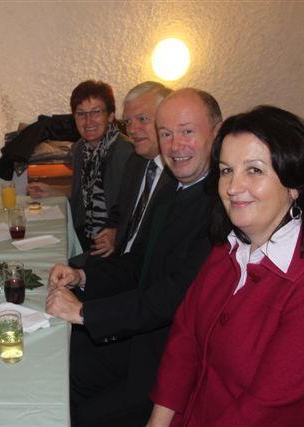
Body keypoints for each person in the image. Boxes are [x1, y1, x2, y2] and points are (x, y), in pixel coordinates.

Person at [147, 106, 304, 427]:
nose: (233, 187)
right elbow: (185, 341)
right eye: (226, 170)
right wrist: (157, 423)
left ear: (294, 183)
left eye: (254, 170)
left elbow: (268, 412)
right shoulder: (228, 248)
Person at [46, 88, 222, 426]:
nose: (175, 145)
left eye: (187, 131)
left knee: (87, 413)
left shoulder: (220, 206)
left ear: (216, 133)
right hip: (146, 337)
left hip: (174, 357)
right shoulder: (173, 190)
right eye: (166, 134)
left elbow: (172, 297)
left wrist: (84, 312)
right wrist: (83, 276)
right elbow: (139, 262)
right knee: (63, 362)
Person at [28, 80, 136, 253]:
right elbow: (85, 193)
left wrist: (118, 233)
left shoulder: (127, 152)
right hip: (86, 237)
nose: (88, 121)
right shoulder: (81, 149)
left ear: (110, 116)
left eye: (96, 112)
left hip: (114, 245)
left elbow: (136, 206)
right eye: (81, 114)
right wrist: (53, 191)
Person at [92, 81, 174, 258]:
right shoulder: (136, 162)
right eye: (127, 122)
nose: (131, 130)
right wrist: (113, 231)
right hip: (119, 259)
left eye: (142, 119)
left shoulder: (179, 176)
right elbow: (119, 211)